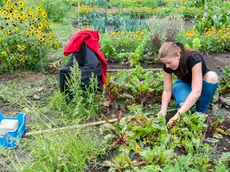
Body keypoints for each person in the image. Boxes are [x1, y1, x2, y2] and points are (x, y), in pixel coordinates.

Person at [157, 42, 218, 127]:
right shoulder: (167, 66)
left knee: (212, 76)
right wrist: (163, 110)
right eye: (165, 63)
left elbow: (196, 91)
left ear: (178, 55)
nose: (167, 66)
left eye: (169, 62)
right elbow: (167, 91)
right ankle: (188, 109)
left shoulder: (194, 58)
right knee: (183, 105)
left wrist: (177, 115)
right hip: (183, 83)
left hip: (201, 83)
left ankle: (200, 111)